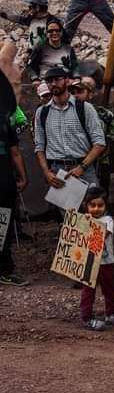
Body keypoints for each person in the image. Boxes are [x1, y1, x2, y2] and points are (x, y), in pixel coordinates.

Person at [33, 67, 105, 187]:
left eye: (57, 79)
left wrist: (82, 167)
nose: (53, 84)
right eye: (49, 81)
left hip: (84, 167)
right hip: (56, 171)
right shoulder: (42, 112)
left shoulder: (84, 108)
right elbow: (39, 146)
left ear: (67, 80)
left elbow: (100, 143)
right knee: (65, 206)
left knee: (93, 204)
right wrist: (46, 172)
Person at [78, 187, 114, 331]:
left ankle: (111, 313)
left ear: (106, 206)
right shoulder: (82, 220)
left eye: (100, 205)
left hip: (106, 262)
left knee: (109, 289)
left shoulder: (108, 220)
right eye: (92, 205)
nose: (96, 209)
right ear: (86, 206)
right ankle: (86, 318)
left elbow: (102, 234)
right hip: (88, 262)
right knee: (88, 290)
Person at [69, 77, 114, 194]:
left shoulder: (104, 114)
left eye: (80, 92)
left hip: (101, 163)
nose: (76, 95)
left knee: (100, 198)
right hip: (76, 164)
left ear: (90, 95)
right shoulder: (66, 115)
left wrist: (100, 141)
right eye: (73, 93)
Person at [0, 81, 29, 287]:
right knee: (3, 226)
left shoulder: (5, 122)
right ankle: (4, 270)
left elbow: (15, 151)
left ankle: (5, 270)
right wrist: (23, 176)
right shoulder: (4, 121)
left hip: (5, 183)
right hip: (5, 182)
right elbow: (15, 152)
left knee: (4, 225)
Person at [27, 19, 78, 87]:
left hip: (65, 82)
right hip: (46, 82)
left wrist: (76, 78)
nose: (54, 33)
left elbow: (75, 67)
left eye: (57, 30)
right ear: (47, 34)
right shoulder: (40, 48)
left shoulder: (69, 49)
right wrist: (35, 78)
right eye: (50, 31)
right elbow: (30, 66)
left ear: (61, 32)